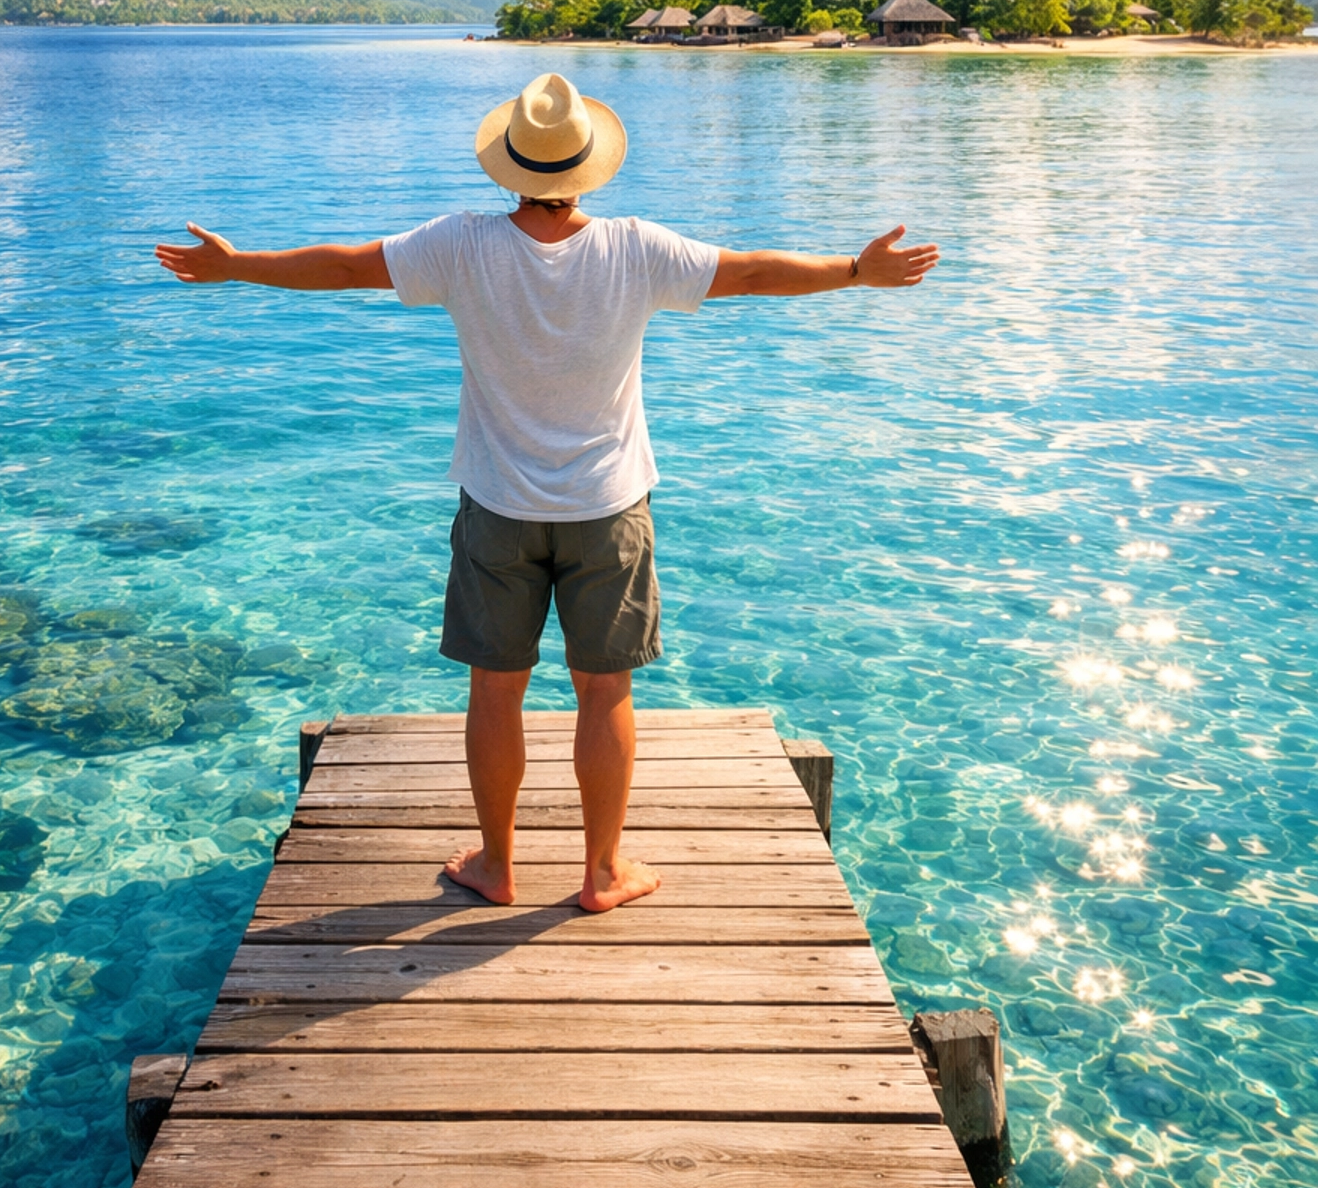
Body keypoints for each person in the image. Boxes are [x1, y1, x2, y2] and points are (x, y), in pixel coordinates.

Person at [156, 71, 937, 911]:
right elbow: (749, 274)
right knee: (604, 691)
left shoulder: (459, 245)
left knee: (496, 690)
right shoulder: (636, 248)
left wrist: (236, 266)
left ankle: (497, 865)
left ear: (510, 166)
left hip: (498, 508)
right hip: (609, 508)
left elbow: (347, 267)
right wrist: (855, 269)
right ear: (588, 166)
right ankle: (601, 873)